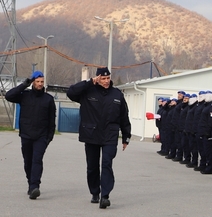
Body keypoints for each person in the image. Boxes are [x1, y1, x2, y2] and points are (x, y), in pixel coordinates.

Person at [66, 67, 131, 209]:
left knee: (107, 163)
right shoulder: (87, 91)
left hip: (110, 135)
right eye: (103, 78)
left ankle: (105, 196)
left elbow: (124, 116)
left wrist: (126, 136)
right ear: (97, 78)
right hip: (91, 134)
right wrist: (89, 82)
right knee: (92, 166)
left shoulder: (117, 95)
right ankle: (95, 192)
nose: (106, 81)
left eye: (108, 78)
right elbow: (70, 92)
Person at [5, 70, 56, 200]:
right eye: (37, 81)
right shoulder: (24, 95)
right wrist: (24, 84)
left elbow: (52, 120)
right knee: (28, 161)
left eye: (42, 82)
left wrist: (48, 138)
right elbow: (9, 96)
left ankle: (35, 187)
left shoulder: (48, 99)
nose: (40, 84)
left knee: (37, 160)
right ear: (33, 82)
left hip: (41, 136)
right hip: (26, 135)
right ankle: (30, 183)